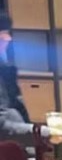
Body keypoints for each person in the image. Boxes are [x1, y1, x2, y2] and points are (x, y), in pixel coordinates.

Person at [0, 10, 35, 142]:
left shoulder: (6, 70)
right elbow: (2, 123)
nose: (8, 39)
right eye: (3, 35)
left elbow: (17, 105)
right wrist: (43, 133)